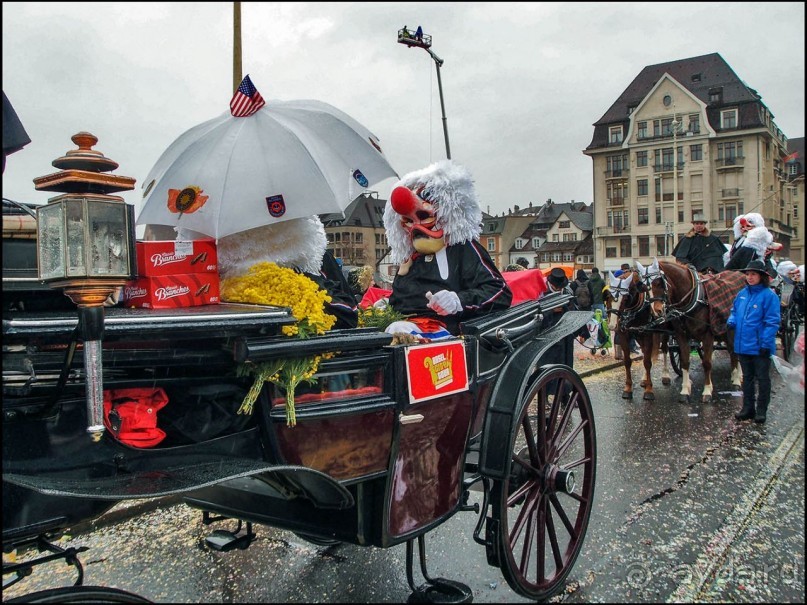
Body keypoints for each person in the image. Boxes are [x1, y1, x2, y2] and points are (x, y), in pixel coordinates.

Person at [382, 160, 512, 338]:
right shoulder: (410, 257)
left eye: (423, 216)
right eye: (409, 221)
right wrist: (386, 305)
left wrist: (458, 300)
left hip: (450, 334)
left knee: (399, 331)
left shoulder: (462, 248)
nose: (416, 227)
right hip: (403, 330)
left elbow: (499, 292)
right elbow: (402, 302)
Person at [726, 259, 780, 424]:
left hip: (760, 346)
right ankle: (748, 408)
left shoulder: (769, 296)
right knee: (747, 378)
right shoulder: (742, 294)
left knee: (762, 379)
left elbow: (772, 322)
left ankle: (761, 410)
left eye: (753, 274)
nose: (749, 277)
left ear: (761, 276)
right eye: (748, 274)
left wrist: (765, 343)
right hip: (743, 344)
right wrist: (732, 320)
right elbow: (734, 311)